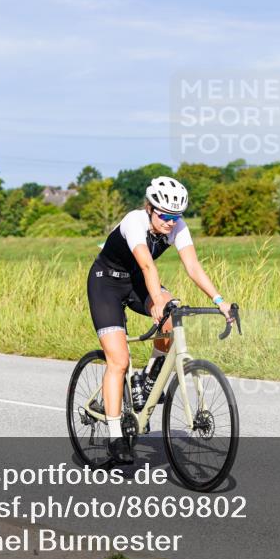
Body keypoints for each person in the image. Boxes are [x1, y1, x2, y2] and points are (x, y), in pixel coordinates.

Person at [86, 176, 234, 465]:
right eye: (164, 215)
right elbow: (147, 264)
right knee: (118, 360)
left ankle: (148, 377)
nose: (170, 222)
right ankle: (116, 436)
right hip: (106, 283)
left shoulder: (177, 227)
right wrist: (155, 299)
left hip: (137, 282)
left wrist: (219, 300)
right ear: (150, 208)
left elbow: (192, 266)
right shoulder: (134, 221)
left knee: (172, 317)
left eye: (176, 216)